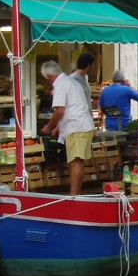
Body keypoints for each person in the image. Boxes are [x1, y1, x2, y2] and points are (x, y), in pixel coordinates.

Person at [40, 60, 96, 195]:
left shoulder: (60, 85)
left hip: (76, 126)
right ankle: (75, 194)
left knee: (75, 162)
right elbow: (74, 106)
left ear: (49, 76)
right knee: (78, 162)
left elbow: (60, 111)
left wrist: (48, 126)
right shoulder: (72, 82)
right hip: (83, 125)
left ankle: (74, 196)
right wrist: (59, 126)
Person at [69, 52, 96, 118]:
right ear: (88, 65)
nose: (93, 66)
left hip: (87, 116)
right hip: (77, 117)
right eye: (93, 64)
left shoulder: (85, 77)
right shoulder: (72, 78)